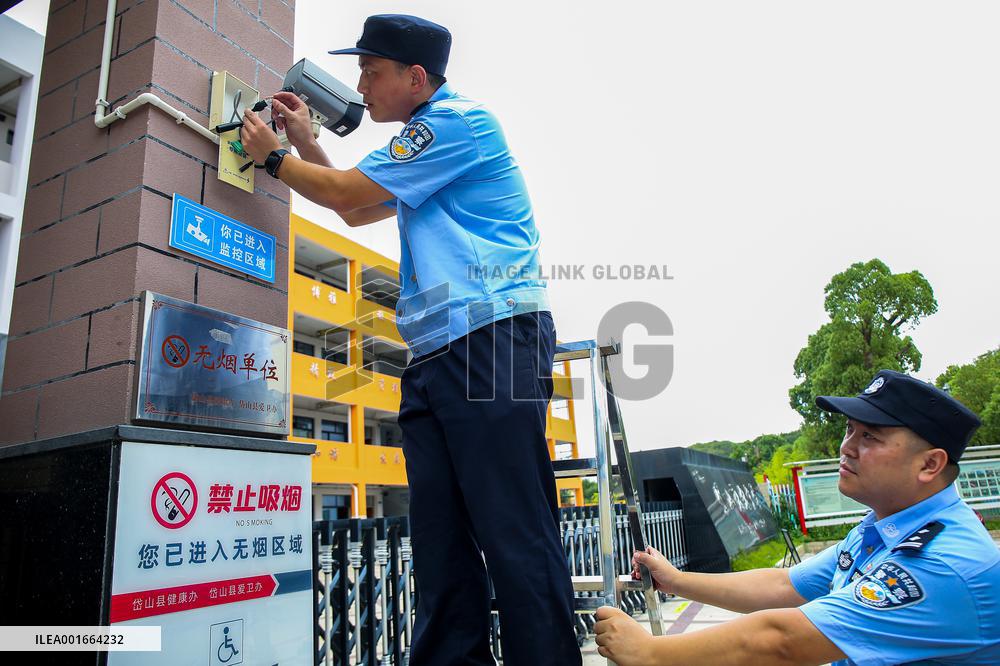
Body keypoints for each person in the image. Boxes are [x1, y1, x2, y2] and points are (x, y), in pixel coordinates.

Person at [238, 14, 581, 666]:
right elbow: (357, 206)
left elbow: (346, 193)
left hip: (491, 341)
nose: (361, 84)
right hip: (437, 356)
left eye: (372, 70)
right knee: (441, 544)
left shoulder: (454, 124)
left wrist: (274, 157)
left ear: (415, 77)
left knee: (514, 534)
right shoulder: (422, 147)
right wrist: (308, 144)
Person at [594, 369, 999, 665]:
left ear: (930, 464)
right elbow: (784, 584)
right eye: (850, 430)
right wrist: (678, 581)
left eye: (870, 437)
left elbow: (783, 640)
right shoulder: (882, 529)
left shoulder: (942, 561)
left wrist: (652, 652)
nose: (848, 447)